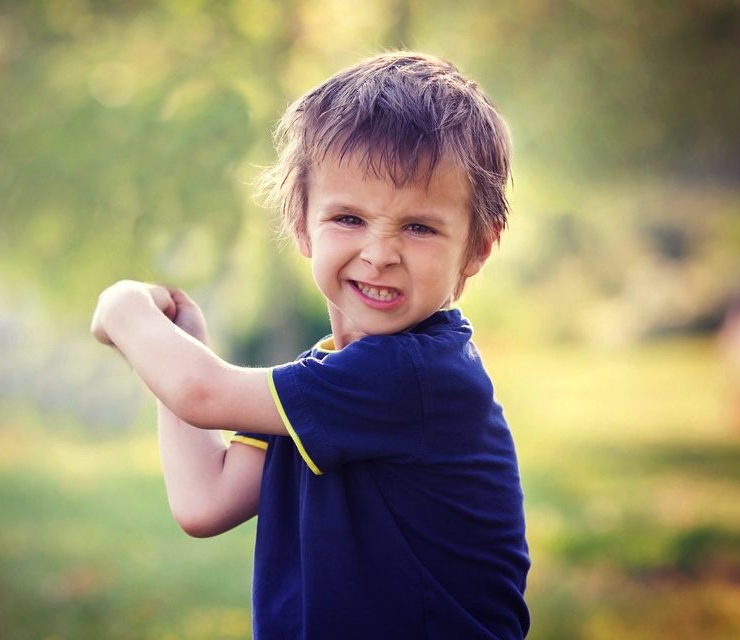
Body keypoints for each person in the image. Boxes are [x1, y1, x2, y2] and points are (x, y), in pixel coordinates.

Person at [91, 51, 531, 639]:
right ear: (301, 222)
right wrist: (179, 340)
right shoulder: (325, 380)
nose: (380, 253)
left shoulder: (417, 376)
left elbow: (201, 391)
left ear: (477, 247)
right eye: (348, 218)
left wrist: (123, 306)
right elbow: (204, 501)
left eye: (419, 227)